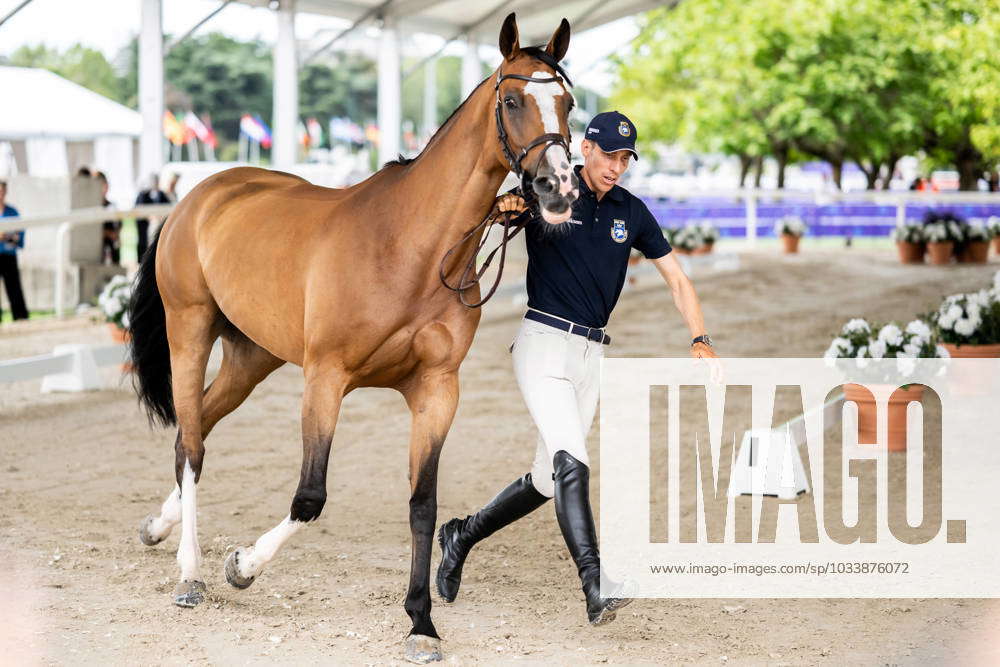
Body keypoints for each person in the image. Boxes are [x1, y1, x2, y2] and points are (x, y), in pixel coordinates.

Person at [436, 111, 718, 625]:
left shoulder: (632, 211)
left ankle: (462, 534)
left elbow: (677, 279)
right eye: (609, 154)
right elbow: (482, 210)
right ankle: (595, 582)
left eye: (625, 158)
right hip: (542, 344)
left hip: (592, 356)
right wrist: (504, 208)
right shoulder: (549, 186)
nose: (617, 166)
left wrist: (700, 338)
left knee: (548, 479)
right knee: (573, 460)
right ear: (585, 148)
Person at [0, 180, 29, 321]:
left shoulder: (12, 212)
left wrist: (5, 237)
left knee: (14, 288)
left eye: (2, 191)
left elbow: (19, 236)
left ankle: (20, 317)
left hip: (8, 256)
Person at [134, 173, 172, 260]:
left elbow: (168, 208)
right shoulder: (142, 195)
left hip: (158, 227)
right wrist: (150, 217)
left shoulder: (162, 194)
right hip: (146, 229)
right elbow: (138, 210)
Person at [95, 171, 120, 265]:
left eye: (105, 184)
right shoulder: (92, 209)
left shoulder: (112, 206)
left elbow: (117, 231)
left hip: (112, 252)